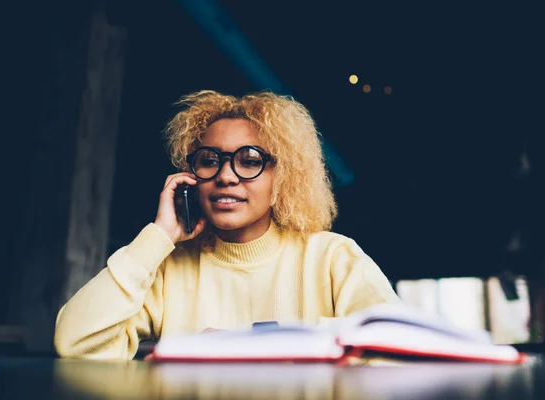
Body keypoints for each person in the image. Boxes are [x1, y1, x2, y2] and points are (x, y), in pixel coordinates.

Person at [54, 90, 402, 360]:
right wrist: (158, 237)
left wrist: (254, 344)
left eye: (249, 160)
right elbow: (76, 342)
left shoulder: (332, 257)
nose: (225, 176)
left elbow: (395, 348)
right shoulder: (168, 267)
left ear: (283, 177)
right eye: (209, 161)